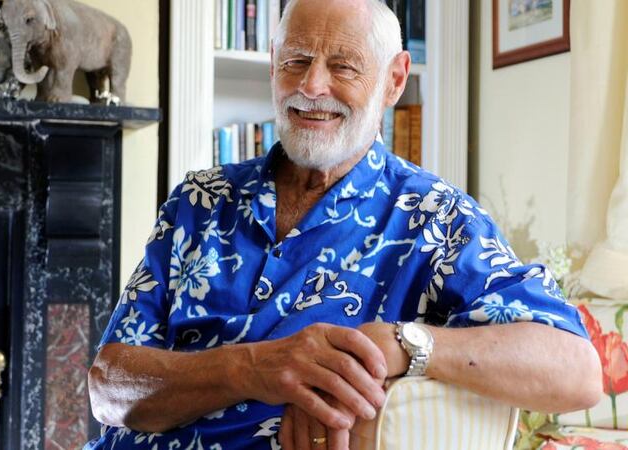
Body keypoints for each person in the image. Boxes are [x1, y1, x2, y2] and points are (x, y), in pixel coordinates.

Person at [85, 0, 601, 448]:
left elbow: (575, 370)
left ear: (394, 80)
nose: (312, 86)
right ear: (272, 65)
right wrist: (254, 367)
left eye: (344, 66)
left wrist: (403, 345)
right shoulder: (199, 200)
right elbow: (108, 388)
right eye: (296, 60)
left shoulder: (435, 219)